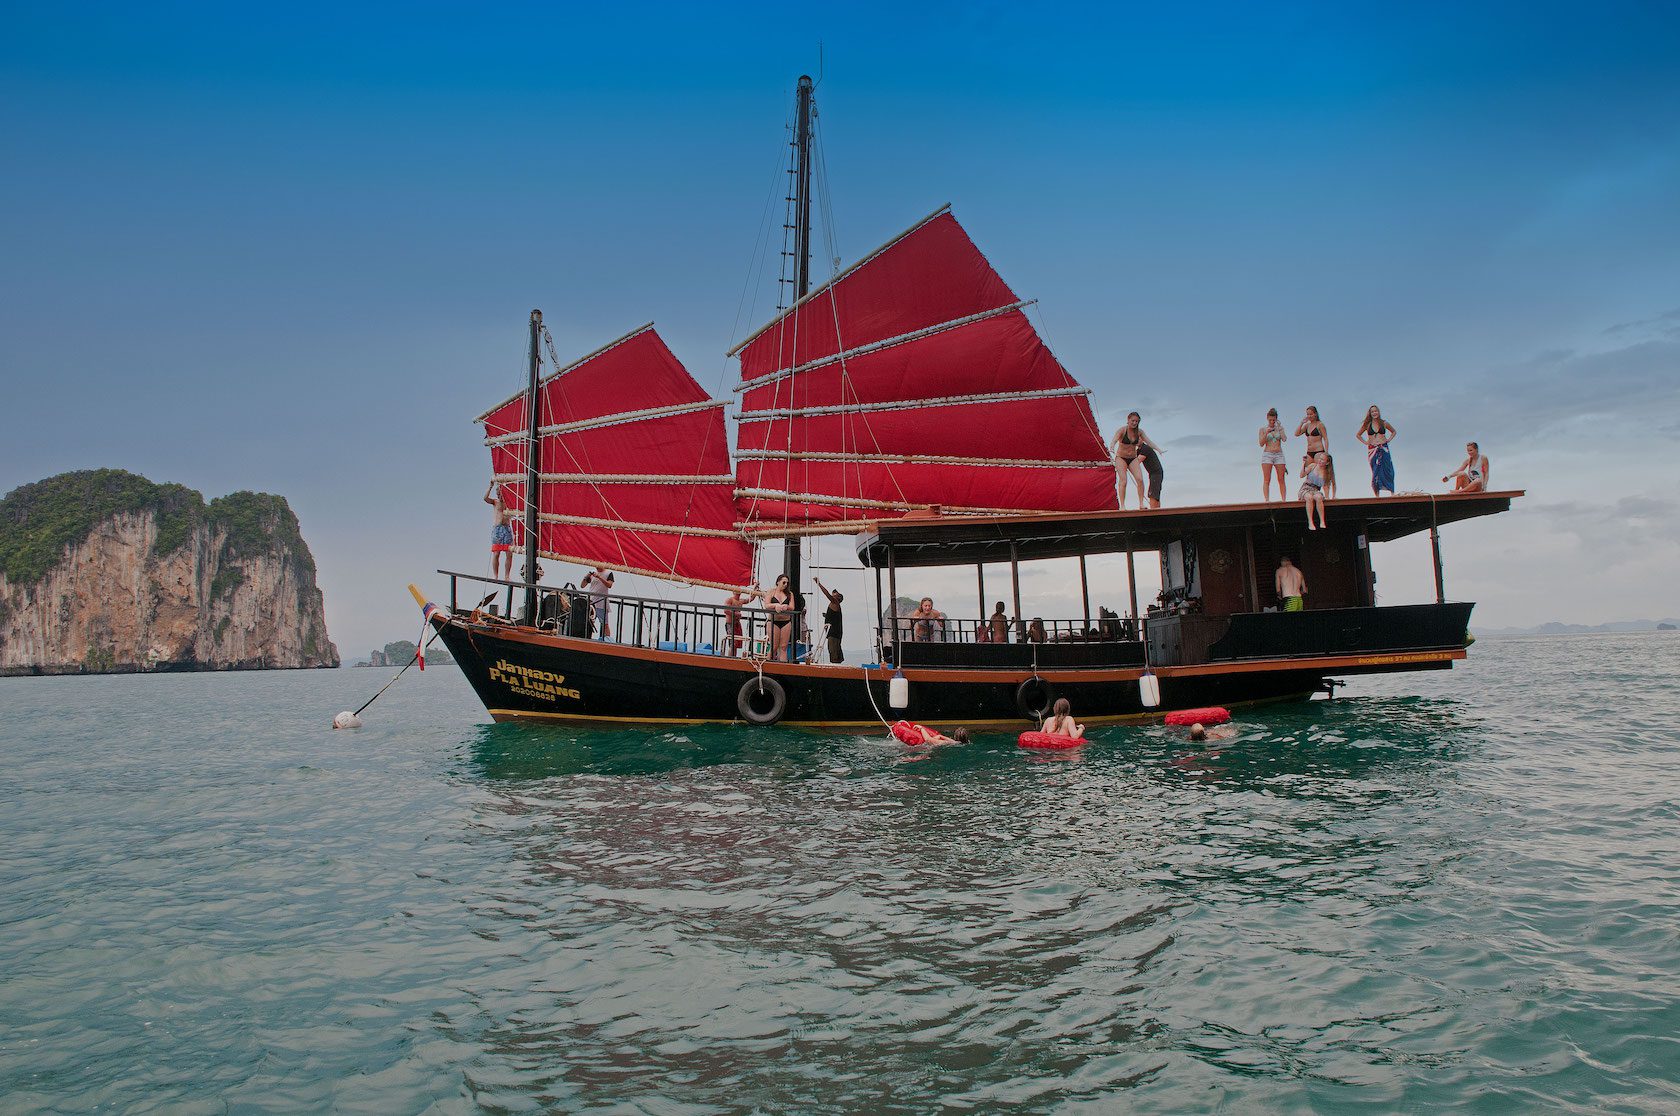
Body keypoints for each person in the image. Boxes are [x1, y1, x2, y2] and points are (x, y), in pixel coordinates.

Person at [1110, 411, 1161, 511]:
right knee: (1123, 481)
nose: (1134, 423)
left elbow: (1148, 441)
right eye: (1133, 421)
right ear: (1128, 420)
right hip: (1121, 458)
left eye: (1136, 421)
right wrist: (1112, 447)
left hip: (1133, 458)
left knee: (1140, 479)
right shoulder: (1122, 430)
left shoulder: (1139, 432)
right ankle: (1123, 506)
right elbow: (1114, 440)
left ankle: (1141, 504)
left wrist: (1158, 449)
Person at [1356, 405, 1397, 496]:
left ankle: (1392, 492)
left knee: (1388, 469)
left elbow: (1394, 431)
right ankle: (1377, 494)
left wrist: (1389, 439)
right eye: (1372, 412)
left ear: (1378, 412)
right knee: (1375, 470)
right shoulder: (1367, 424)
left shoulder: (1384, 423)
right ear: (1370, 414)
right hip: (1373, 449)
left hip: (1383, 448)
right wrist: (1365, 442)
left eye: (1376, 411)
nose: (1374, 413)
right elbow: (1358, 435)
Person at [484, 483, 514, 581]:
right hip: (497, 529)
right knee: (496, 553)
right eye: (497, 493)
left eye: (500, 493)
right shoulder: (495, 502)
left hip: (506, 528)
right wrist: (490, 486)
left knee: (509, 553)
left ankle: (507, 576)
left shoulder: (509, 503)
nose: (498, 495)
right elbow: (485, 498)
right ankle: (495, 575)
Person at [1258, 408, 1289, 501]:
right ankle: (1267, 500)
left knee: (1281, 479)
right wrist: (1266, 433)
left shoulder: (1280, 428)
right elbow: (1261, 443)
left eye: (1274, 420)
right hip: (1268, 454)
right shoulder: (1263, 429)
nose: (1272, 421)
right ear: (1267, 418)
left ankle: (1283, 500)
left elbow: (1284, 439)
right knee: (1267, 479)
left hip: (1279, 454)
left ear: (1276, 419)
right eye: (1270, 420)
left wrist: (1280, 428)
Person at [722, 584, 761, 656]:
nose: (738, 593)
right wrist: (736, 614)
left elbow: (750, 599)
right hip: (730, 624)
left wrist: (755, 589)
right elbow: (726, 611)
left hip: (737, 624)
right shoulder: (730, 600)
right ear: (733, 592)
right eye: (736, 591)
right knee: (732, 643)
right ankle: (731, 658)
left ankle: (734, 657)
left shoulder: (741, 601)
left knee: (736, 643)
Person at [764, 574, 795, 662]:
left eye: (787, 583)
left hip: (786, 621)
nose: (785, 585)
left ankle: (783, 665)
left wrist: (786, 607)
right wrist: (775, 605)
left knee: (784, 646)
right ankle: (768, 663)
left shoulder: (789, 594)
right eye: (783, 582)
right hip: (774, 621)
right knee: (774, 646)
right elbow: (766, 605)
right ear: (778, 582)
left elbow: (792, 607)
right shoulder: (771, 592)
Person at [813, 577, 844, 664]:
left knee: (833, 650)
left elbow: (826, 594)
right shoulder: (834, 605)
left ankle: (835, 667)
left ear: (838, 598)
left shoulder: (835, 602)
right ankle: (836, 664)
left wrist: (819, 583)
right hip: (833, 633)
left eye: (836, 593)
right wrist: (826, 616)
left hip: (834, 633)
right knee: (833, 650)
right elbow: (834, 617)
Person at [580, 566, 614, 639]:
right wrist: (587, 576)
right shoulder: (593, 573)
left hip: (601, 602)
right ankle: (587, 638)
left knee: (605, 624)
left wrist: (599, 577)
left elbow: (609, 585)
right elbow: (582, 585)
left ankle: (607, 640)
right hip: (591, 601)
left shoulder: (608, 573)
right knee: (589, 621)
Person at [1299, 451, 1328, 530]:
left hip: (1316, 490)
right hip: (1306, 488)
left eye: (1322, 460)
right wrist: (1304, 464)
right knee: (1309, 498)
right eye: (1319, 459)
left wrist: (1328, 496)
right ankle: (1310, 522)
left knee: (1318, 497)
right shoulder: (1313, 466)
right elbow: (1302, 475)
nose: (1319, 460)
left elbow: (1326, 486)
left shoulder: (1326, 472)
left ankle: (1322, 521)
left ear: (1327, 462)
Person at [1137, 439, 1165, 508]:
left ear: (1142, 438)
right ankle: (1156, 510)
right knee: (1154, 493)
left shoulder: (1145, 448)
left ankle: (1154, 511)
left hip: (1156, 473)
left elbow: (1136, 461)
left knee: (1153, 494)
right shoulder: (1139, 450)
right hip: (1153, 474)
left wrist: (1123, 466)